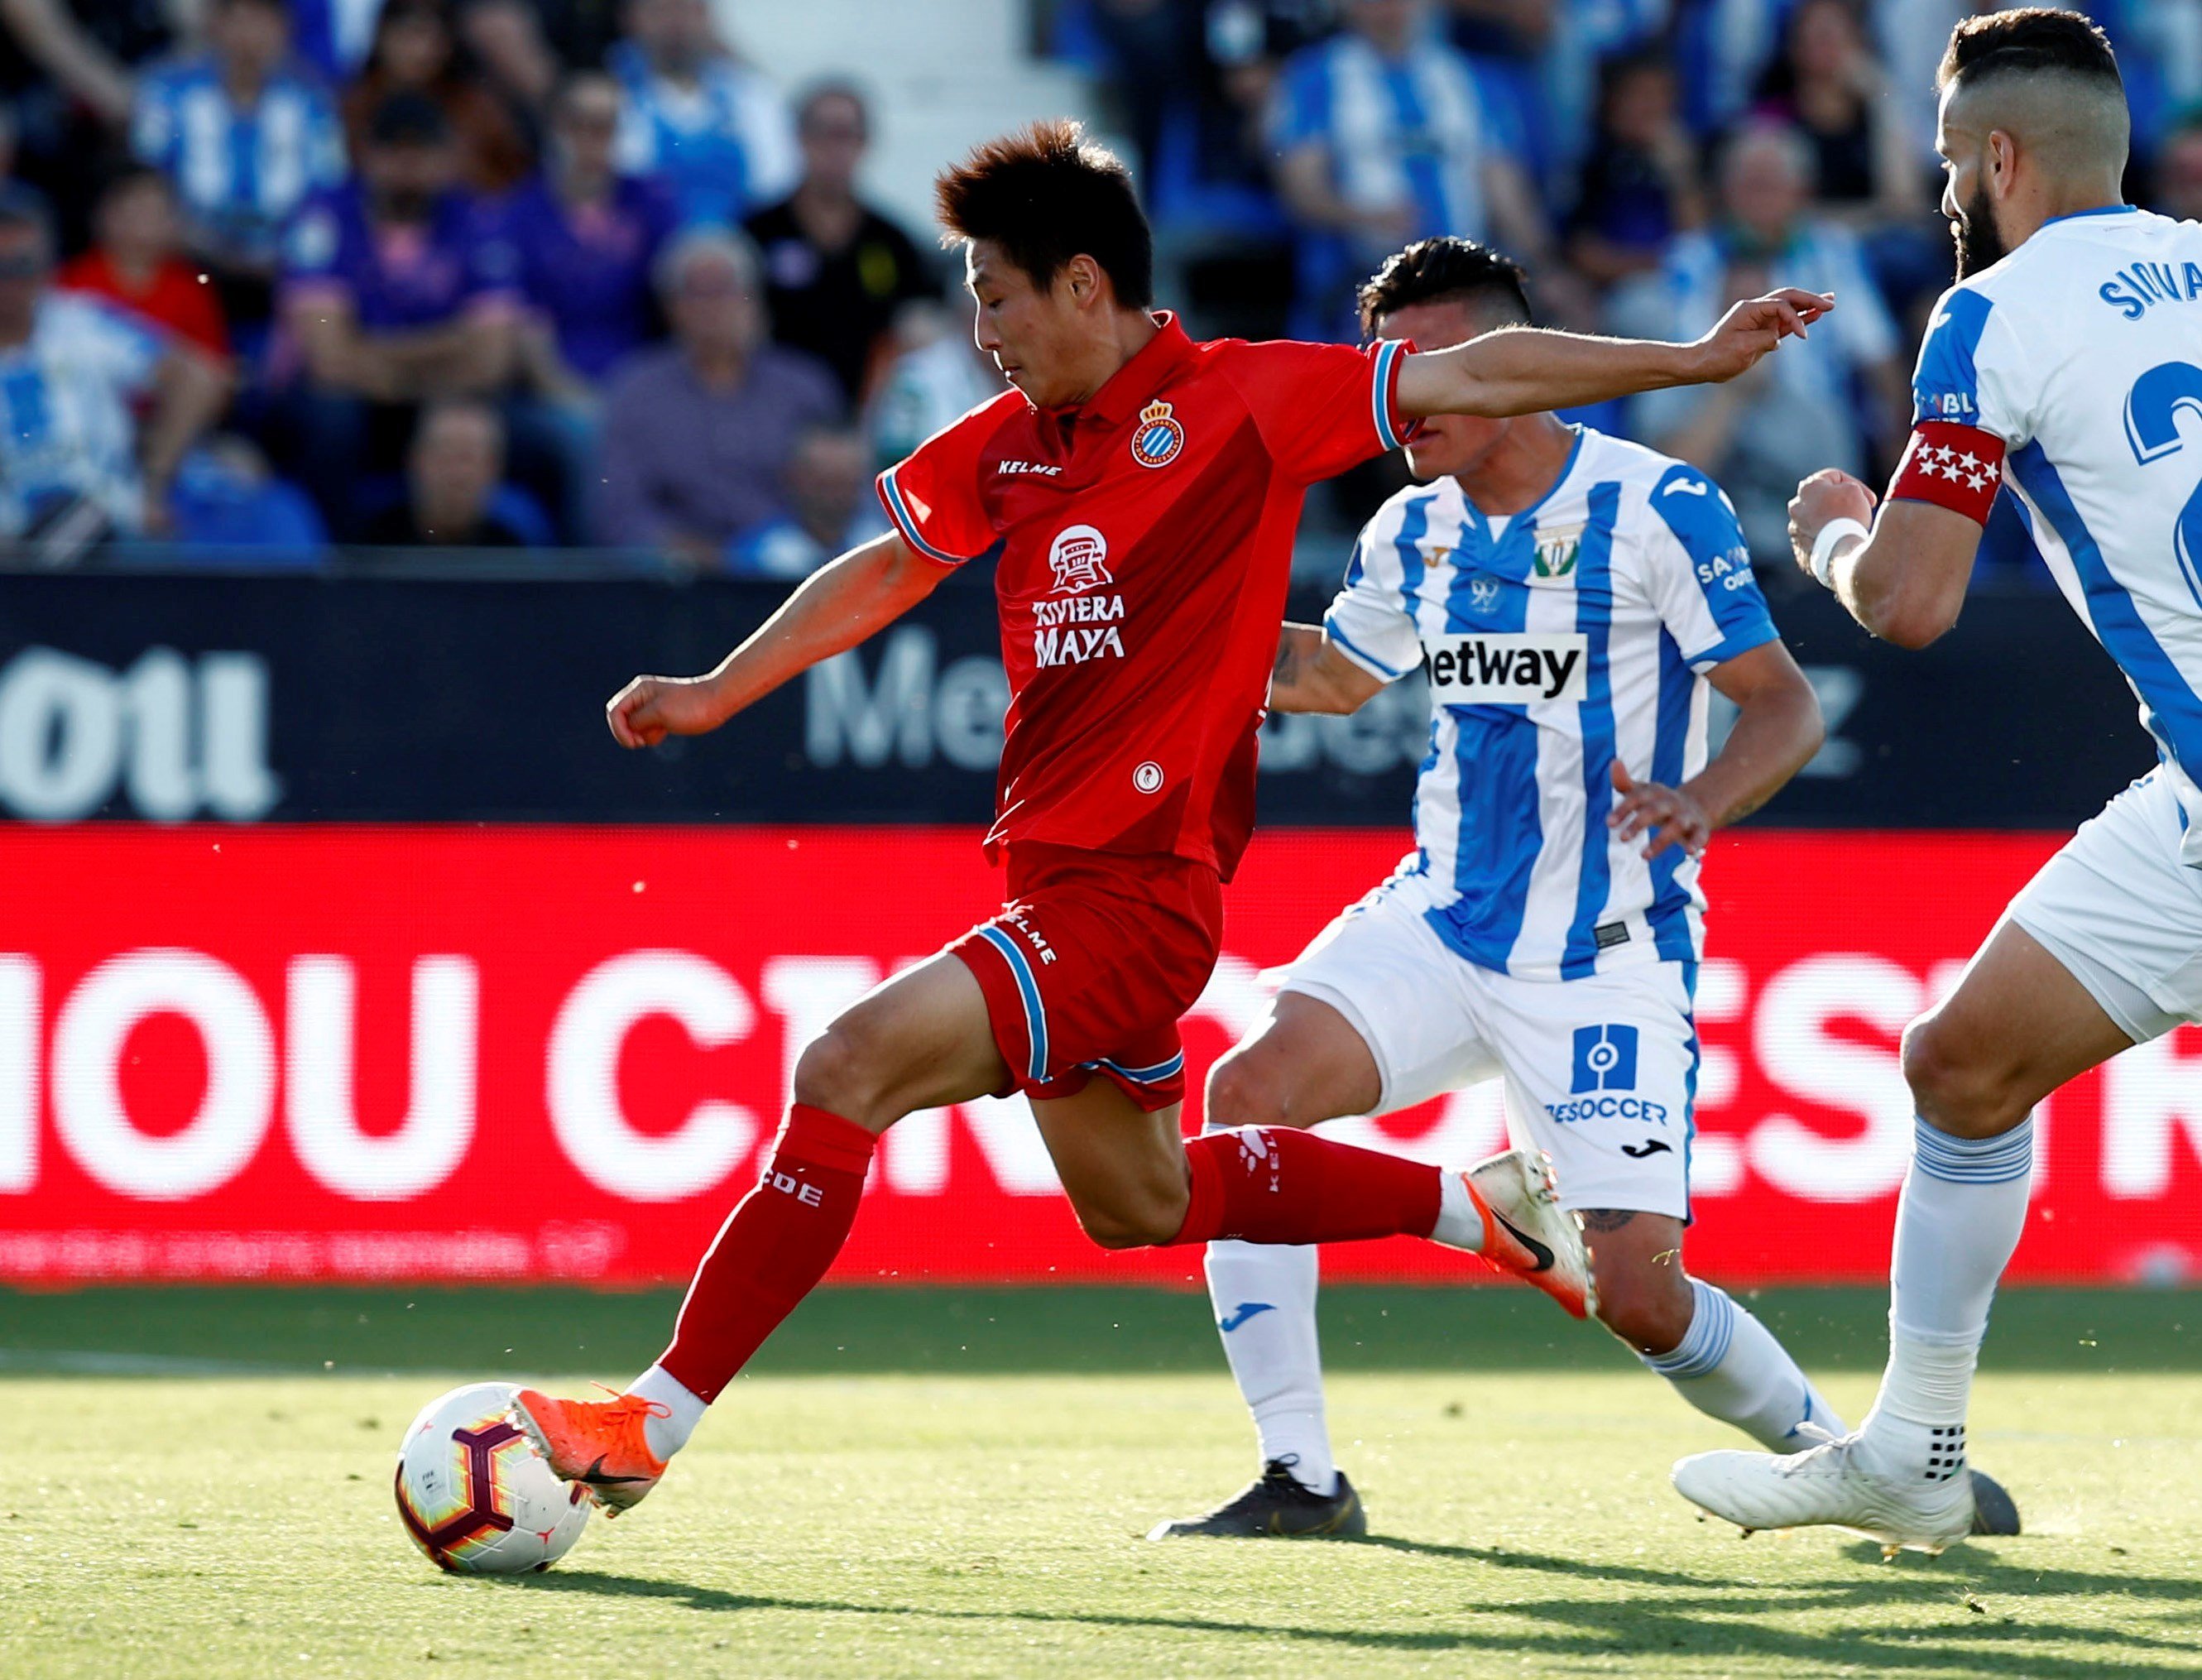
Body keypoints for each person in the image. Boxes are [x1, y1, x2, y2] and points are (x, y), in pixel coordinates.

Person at [503, 118, 1832, 1516]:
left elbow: (1489, 370)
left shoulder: (1247, 397)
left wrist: (1690, 357)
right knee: (1137, 1201)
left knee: (845, 1068)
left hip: (1137, 895)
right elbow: (890, 562)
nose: (981, 331)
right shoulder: (1016, 447)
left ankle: (647, 1422)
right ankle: (1467, 1210)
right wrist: (722, 688)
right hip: (1056, 883)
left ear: (1084, 284)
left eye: (996, 297)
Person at [1147, 233, 1855, 1538]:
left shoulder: (1657, 508)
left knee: (1640, 1294)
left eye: (1425, 373)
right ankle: (1301, 1478)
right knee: (1243, 1100)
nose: (1396, 405)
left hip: (1608, 947)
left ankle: (1843, 1459)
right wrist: (1173, 622)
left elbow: (1784, 705)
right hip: (1441, 921)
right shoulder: (1409, 527)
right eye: (1387, 375)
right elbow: (1334, 676)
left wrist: (1696, 801)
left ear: (1519, 373)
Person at [1675, 9, 2198, 1553]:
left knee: (1961, 1076)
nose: (1943, 183)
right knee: (1961, 1065)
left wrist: (1833, 521)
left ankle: (1908, 1449)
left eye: (1947, 153)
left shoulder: (1990, 312)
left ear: (1997, 155)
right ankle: (1910, 1451)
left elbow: (1909, 603)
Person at [277, 92, 518, 535]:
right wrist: (448, 342)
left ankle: (493, 575)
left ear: (447, 157)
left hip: (435, 394)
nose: (407, 167)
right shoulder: (325, 215)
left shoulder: (478, 219)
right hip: (355, 398)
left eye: (421, 152)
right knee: (332, 420)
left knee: (515, 432)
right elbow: (329, 357)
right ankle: (334, 571)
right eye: (394, 151)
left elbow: (491, 358)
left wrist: (375, 354)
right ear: (366, 154)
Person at [1268, 0, 1547, 336]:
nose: (1387, 7)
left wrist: (1547, 270)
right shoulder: (1314, 79)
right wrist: (1365, 216)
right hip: (1357, 283)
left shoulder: (1472, 79)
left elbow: (1507, 194)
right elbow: (1302, 190)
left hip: (1467, 281)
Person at [592, 228, 841, 564]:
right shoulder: (635, 391)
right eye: (697, 293)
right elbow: (617, 508)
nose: (712, 308)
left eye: (725, 290)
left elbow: (843, 487)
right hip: (677, 579)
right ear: (671, 307)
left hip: (792, 573)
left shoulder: (803, 387)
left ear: (753, 298)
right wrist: (685, 550)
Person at [0, 186, 227, 555]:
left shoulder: (80, 321)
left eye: (23, 265)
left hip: (111, 531)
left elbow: (199, 377)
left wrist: (153, 484)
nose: (10, 283)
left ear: (47, 264)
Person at [132, 0, 346, 331]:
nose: (249, 37)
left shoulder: (312, 99)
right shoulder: (167, 91)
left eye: (262, 23)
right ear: (213, 26)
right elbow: (145, 180)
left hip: (281, 270)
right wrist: (199, 244)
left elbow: (328, 193)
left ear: (285, 30)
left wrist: (284, 256)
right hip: (188, 258)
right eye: (237, 21)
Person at [742, 82, 935, 407]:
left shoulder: (893, 241)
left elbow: (924, 324)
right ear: (798, 138)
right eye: (822, 132)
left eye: (846, 133)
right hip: (771, 412)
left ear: (865, 143)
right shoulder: (758, 232)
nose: (834, 147)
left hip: (871, 411)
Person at [495, 71, 677, 401]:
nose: (592, 138)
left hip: (645, 379)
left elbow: (677, 297)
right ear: (553, 126)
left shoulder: (650, 200)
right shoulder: (519, 212)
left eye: (606, 125)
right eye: (578, 123)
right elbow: (523, 324)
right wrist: (569, 396)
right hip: (552, 386)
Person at [607, 0, 796, 227]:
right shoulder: (608, 95)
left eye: (687, 9)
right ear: (630, 19)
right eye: (660, 10)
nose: (675, 24)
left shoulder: (753, 95)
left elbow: (778, 187)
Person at [342, 0, 533, 195]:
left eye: (430, 38)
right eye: (407, 35)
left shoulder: (477, 109)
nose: (419, 50)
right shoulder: (353, 107)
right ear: (382, 37)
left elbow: (516, 186)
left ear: (447, 45)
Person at [59, 165, 230, 362]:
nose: (148, 222)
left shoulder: (192, 289)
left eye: (159, 211)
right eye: (138, 209)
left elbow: (212, 368)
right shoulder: (75, 281)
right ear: (106, 216)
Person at [362, 396, 532, 546]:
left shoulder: (511, 548)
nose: (455, 474)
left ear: (493, 468)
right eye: (444, 456)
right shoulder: (377, 543)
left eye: (466, 458)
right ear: (414, 461)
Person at [727, 425, 887, 578]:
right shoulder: (755, 555)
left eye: (844, 481)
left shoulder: (888, 547)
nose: (834, 494)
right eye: (822, 481)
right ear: (794, 477)